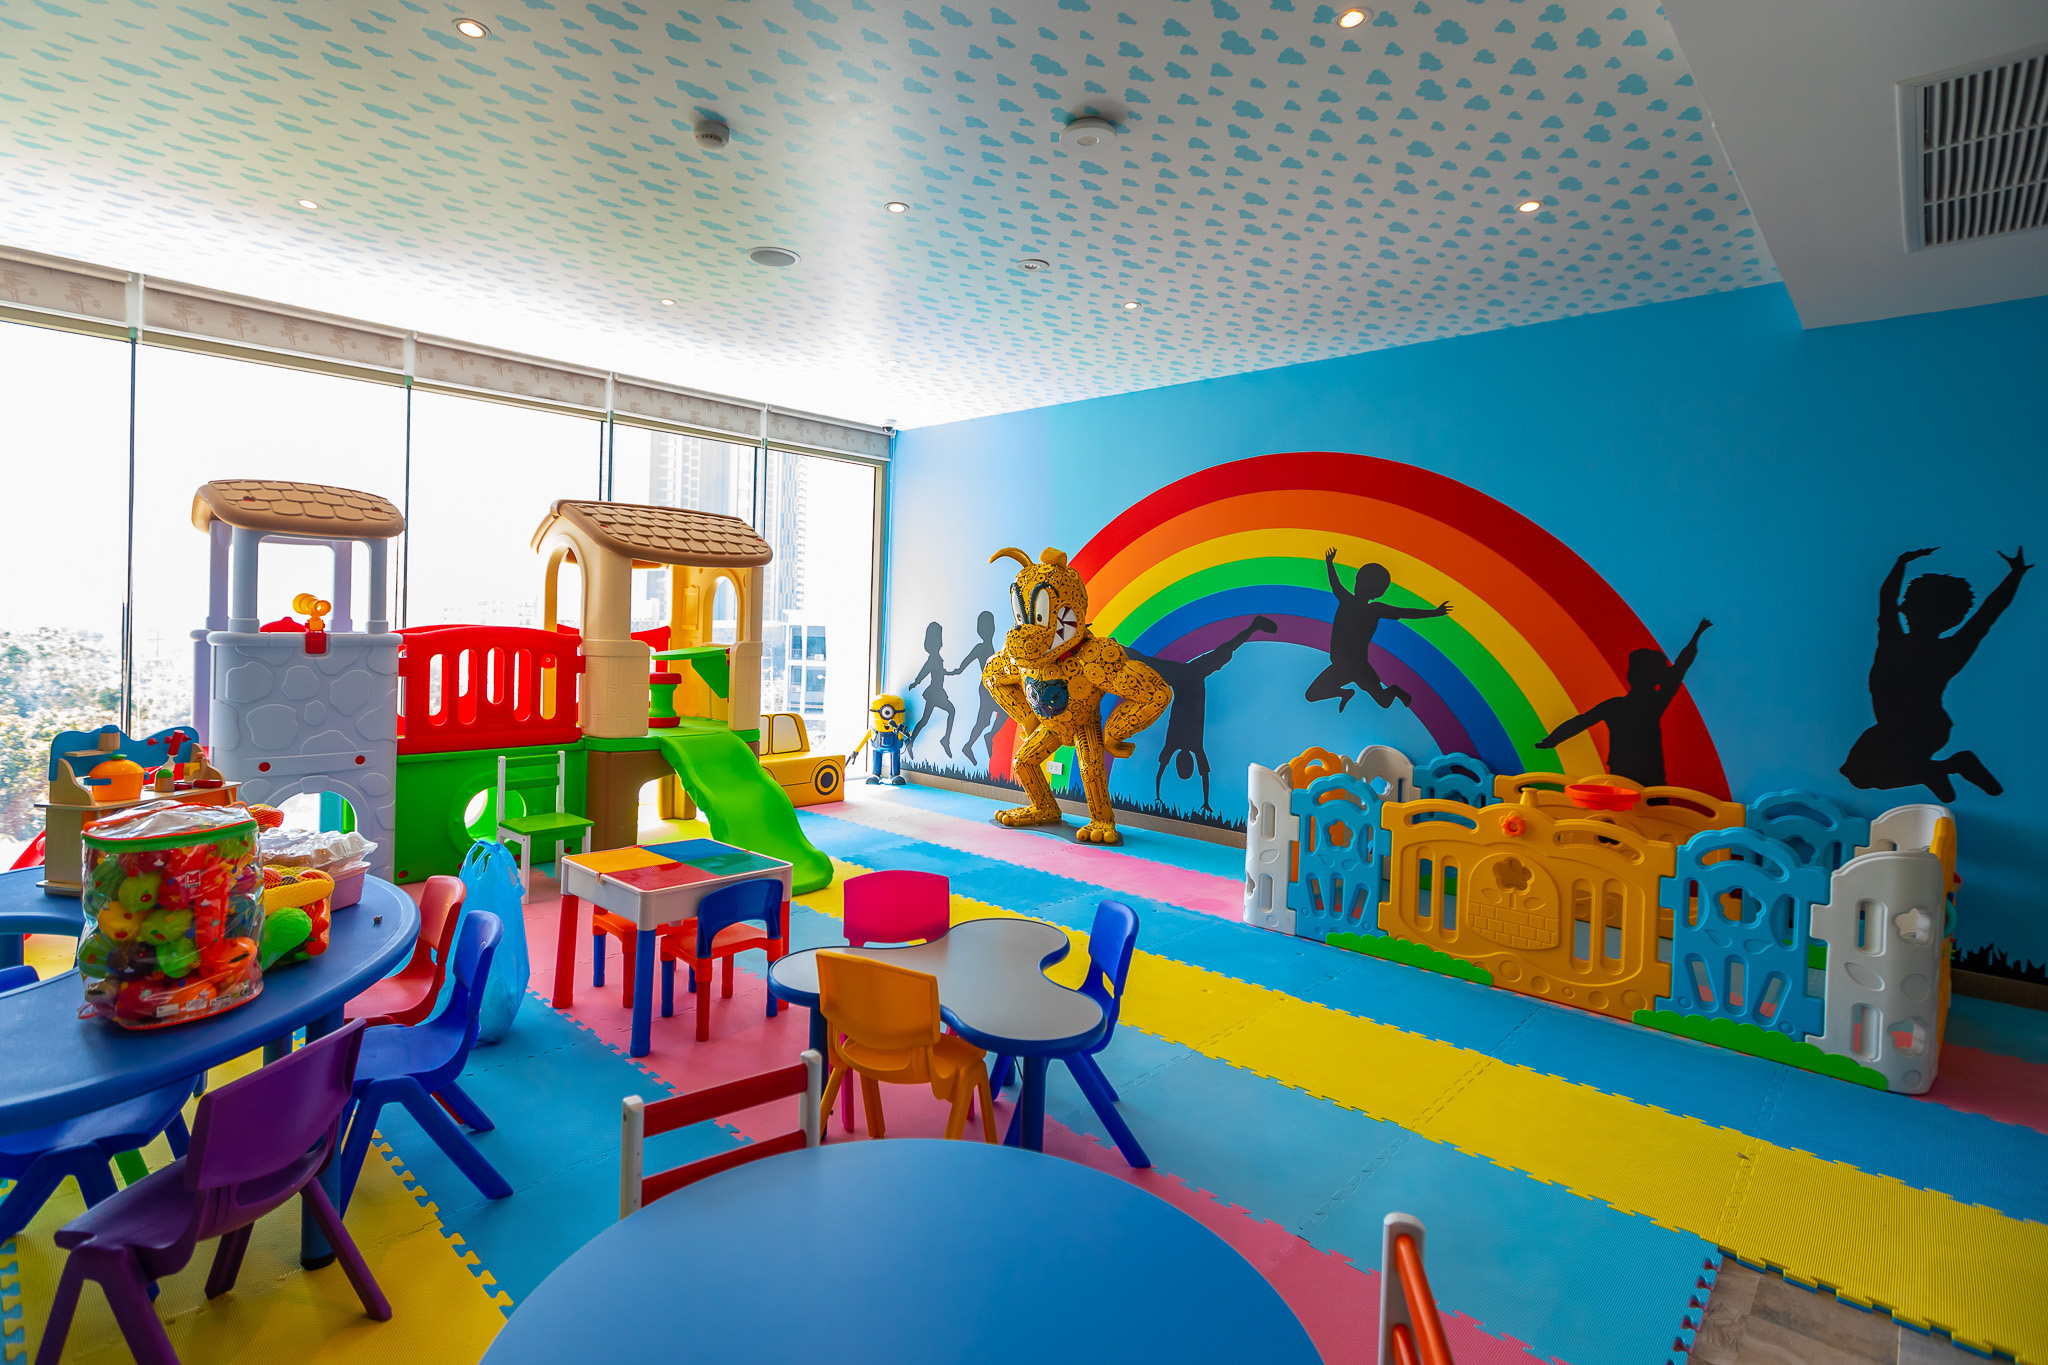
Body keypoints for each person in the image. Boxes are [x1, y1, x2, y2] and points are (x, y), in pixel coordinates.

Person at [1841, 547, 2028, 800]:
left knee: (1862, 775)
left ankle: (1943, 769)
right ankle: (1947, 767)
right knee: (1861, 774)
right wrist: (2015, 574)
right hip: (1915, 726)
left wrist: (1901, 563)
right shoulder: (1948, 648)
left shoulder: (1894, 641)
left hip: (1911, 726)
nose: (1902, 607)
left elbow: (1887, 600)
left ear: (1909, 608)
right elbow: (1988, 613)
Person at [1535, 619, 1709, 787]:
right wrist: (1697, 635)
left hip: (1622, 773)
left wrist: (1552, 740)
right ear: (1655, 677)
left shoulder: (1614, 706)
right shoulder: (1654, 703)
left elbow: (1579, 722)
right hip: (1649, 775)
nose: (1667, 672)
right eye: (1663, 669)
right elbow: (1681, 667)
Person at [1135, 615, 1277, 811]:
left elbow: (1165, 771)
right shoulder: (1191, 748)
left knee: (1147, 662)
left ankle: (1254, 627)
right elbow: (1201, 775)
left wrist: (1159, 796)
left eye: (1183, 767)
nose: (1184, 764)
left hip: (1184, 677)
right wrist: (1206, 802)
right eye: (1186, 767)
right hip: (1192, 675)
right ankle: (1254, 626)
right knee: (1225, 650)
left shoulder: (1180, 747)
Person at [1304, 548, 1450, 711]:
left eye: (1364, 583)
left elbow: (1404, 612)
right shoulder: (1347, 599)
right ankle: (1345, 693)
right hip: (1342, 666)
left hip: (1358, 667)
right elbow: (1335, 584)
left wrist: (1435, 612)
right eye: (1360, 580)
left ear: (1375, 593)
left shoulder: (1373, 609)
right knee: (1311, 694)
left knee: (1384, 702)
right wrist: (1329, 563)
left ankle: (1394, 691)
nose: (1359, 585)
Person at [950, 610, 1007, 766]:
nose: (990, 629)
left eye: (991, 626)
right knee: (985, 720)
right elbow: (966, 662)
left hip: (991, 688)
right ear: (980, 630)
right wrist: (955, 671)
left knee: (990, 719)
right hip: (986, 689)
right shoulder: (980, 647)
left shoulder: (991, 647)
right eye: (986, 626)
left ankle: (978, 741)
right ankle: (972, 744)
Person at [903, 620, 957, 758]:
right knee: (951, 711)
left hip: (936, 692)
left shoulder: (936, 658)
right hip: (935, 693)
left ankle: (911, 741)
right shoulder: (933, 658)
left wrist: (950, 673)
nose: (939, 642)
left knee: (924, 720)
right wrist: (916, 682)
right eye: (938, 639)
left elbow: (938, 672)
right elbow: (925, 671)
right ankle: (945, 740)